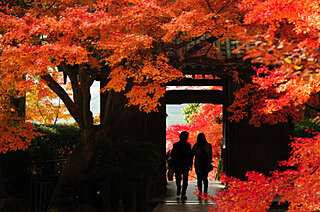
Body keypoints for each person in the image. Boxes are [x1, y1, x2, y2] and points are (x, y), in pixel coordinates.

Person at [170, 131, 192, 200]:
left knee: (178, 178)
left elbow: (173, 155)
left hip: (177, 164)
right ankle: (183, 193)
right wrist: (190, 164)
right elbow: (190, 156)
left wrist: (173, 164)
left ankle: (180, 189)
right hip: (185, 164)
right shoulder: (188, 145)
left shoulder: (175, 145)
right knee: (185, 180)